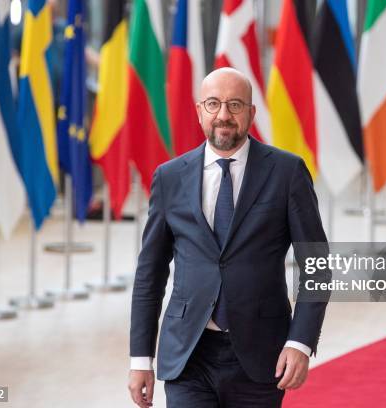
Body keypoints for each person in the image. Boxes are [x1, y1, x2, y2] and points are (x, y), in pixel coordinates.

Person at [127, 67, 330, 408]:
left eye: (235, 105)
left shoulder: (287, 173)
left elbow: (317, 266)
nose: (223, 115)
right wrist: (140, 360)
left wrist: (300, 342)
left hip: (262, 355)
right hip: (188, 354)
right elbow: (150, 273)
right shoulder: (169, 177)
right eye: (213, 104)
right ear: (199, 111)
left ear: (251, 113)